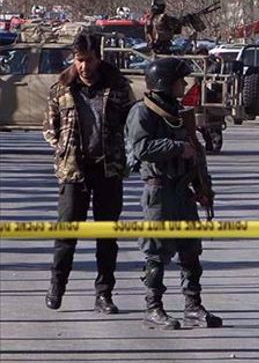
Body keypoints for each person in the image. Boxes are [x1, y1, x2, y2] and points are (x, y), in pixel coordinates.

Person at [125, 57, 222, 330]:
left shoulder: (179, 112)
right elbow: (141, 148)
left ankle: (193, 306)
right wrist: (176, 148)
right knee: (156, 253)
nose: (184, 84)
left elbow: (195, 149)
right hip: (159, 190)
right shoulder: (143, 112)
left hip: (183, 190)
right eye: (180, 80)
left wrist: (204, 187)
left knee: (190, 251)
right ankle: (153, 307)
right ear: (165, 83)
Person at [43, 33, 135, 313]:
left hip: (107, 170)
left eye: (88, 60)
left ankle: (104, 294)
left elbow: (131, 124)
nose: (83, 66)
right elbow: (50, 127)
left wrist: (123, 153)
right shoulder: (61, 88)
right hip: (73, 171)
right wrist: (62, 148)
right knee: (66, 234)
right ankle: (57, 286)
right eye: (79, 60)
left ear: (99, 57)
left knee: (106, 236)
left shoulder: (118, 86)